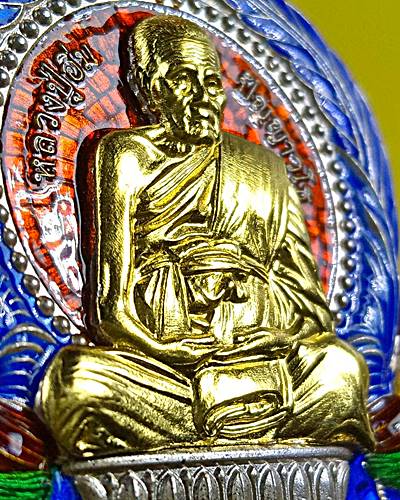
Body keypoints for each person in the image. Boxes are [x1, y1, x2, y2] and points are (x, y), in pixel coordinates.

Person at [38, 15, 374, 458]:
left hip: (263, 362)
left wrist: (270, 334)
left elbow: (309, 304)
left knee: (341, 369)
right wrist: (170, 349)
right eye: (183, 79)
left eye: (212, 82)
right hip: (165, 369)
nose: (202, 96)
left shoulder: (264, 168)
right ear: (149, 89)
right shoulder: (126, 157)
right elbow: (110, 311)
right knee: (78, 382)